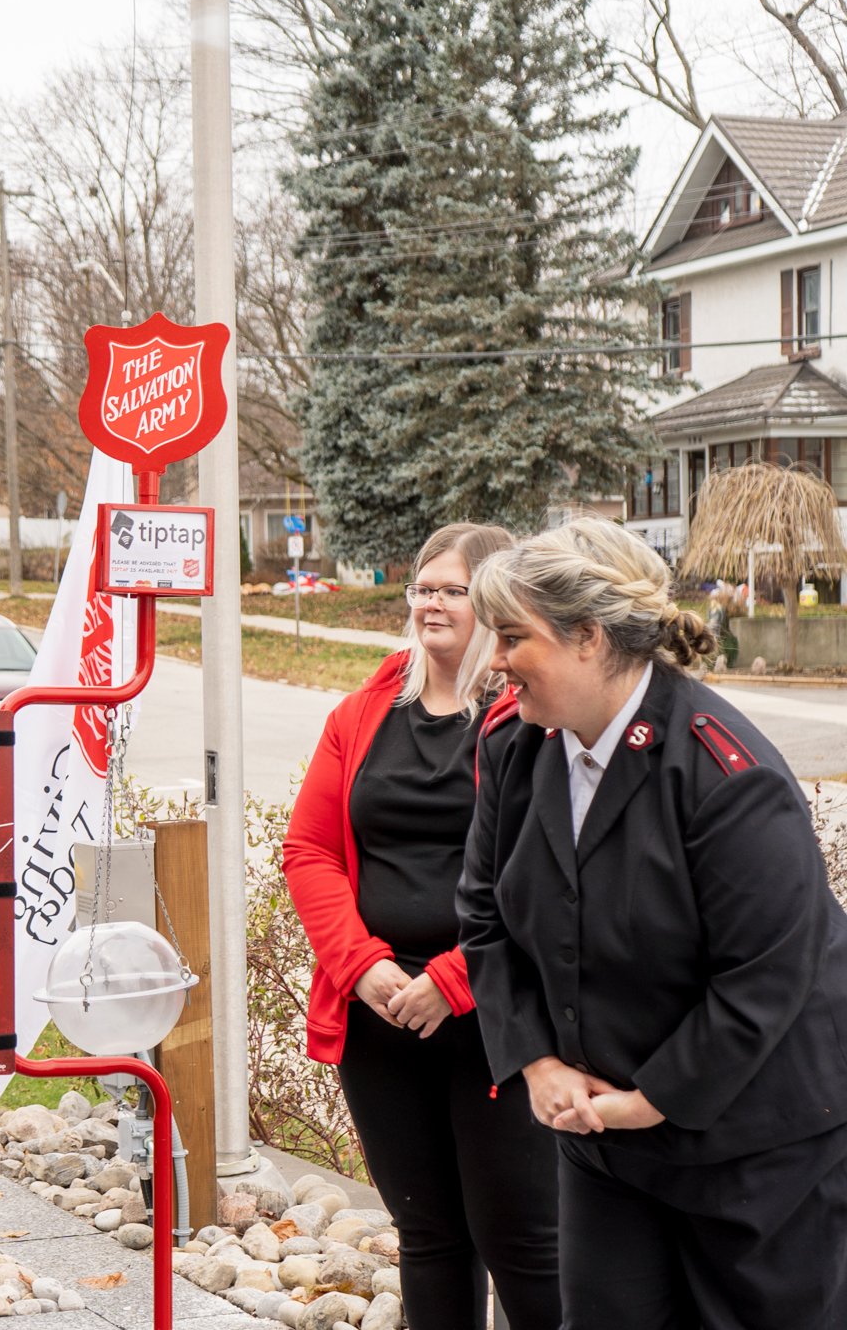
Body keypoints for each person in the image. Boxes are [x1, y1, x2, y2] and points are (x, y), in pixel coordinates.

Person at [460, 517, 847, 1329]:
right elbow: (486, 914)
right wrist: (536, 1062)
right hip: (606, 1142)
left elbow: (767, 975)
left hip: (756, 1147)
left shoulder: (724, 773)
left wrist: (650, 1099)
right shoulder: (519, 750)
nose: (493, 660)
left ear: (589, 637)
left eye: (509, 636)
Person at [284, 523, 560, 1330]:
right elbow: (308, 849)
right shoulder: (363, 712)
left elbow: (541, 878)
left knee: (521, 1238)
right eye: (423, 587)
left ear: (496, 604)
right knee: (428, 1234)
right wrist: (360, 965)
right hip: (378, 1013)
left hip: (493, 1015)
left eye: (453, 589)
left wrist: (451, 979)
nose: (431, 602)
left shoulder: (525, 720)